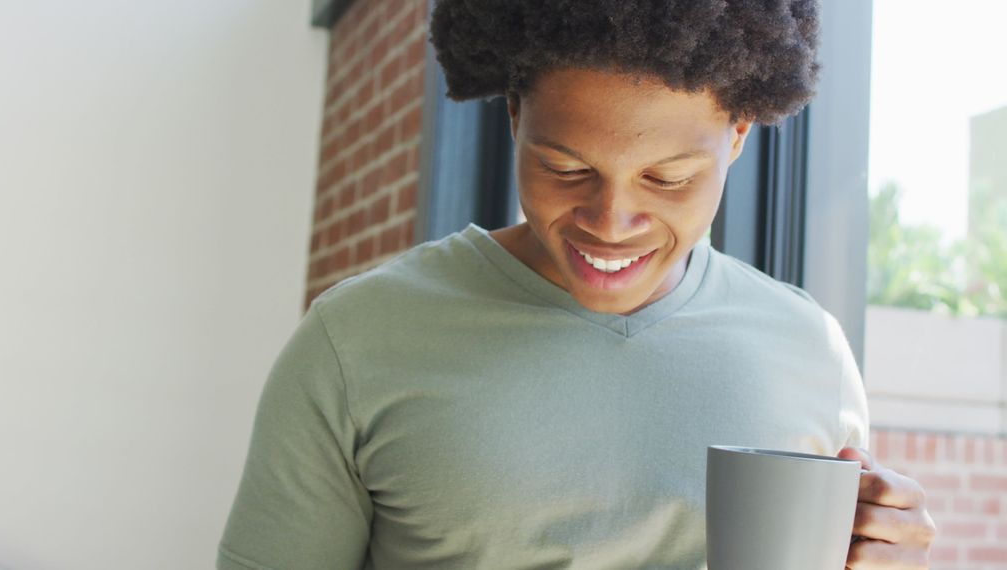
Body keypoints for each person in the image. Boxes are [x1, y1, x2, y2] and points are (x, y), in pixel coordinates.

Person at [217, 0, 936, 568]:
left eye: (669, 178)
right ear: (513, 115)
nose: (612, 221)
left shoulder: (809, 350)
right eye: (566, 169)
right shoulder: (356, 342)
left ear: (740, 133)